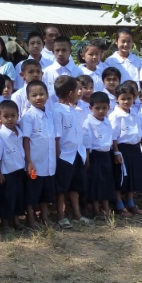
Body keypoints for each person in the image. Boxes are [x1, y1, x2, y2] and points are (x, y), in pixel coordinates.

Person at [51, 76, 90, 228]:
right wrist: (58, 157)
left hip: (77, 153)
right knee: (62, 188)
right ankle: (61, 216)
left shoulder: (74, 110)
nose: (80, 92)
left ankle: (77, 214)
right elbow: (57, 137)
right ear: (70, 93)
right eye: (77, 90)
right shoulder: (57, 111)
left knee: (75, 186)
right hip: (65, 156)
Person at [110, 83, 142, 217]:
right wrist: (116, 152)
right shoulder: (115, 116)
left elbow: (141, 133)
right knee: (121, 178)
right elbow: (113, 136)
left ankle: (130, 203)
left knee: (132, 176)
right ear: (117, 99)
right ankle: (119, 204)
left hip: (135, 148)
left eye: (129, 98)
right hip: (122, 149)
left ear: (134, 98)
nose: (126, 101)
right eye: (123, 98)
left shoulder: (136, 114)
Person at [0, 100, 26, 233]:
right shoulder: (0, 135)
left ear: (18, 115)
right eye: (6, 116)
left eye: (13, 116)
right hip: (6, 172)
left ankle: (16, 221)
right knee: (5, 197)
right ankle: (5, 223)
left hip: (19, 170)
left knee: (18, 196)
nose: (10, 119)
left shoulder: (20, 132)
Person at [82, 92, 117, 219]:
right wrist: (87, 161)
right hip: (95, 157)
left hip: (106, 155)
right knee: (96, 184)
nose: (101, 111)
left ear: (109, 107)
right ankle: (96, 211)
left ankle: (106, 210)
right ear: (90, 108)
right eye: (97, 108)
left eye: (104, 108)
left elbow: (111, 139)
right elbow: (87, 145)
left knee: (106, 182)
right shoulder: (88, 123)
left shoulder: (107, 121)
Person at [43, 36, 82, 100]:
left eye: (64, 50)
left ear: (70, 51)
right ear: (53, 52)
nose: (60, 54)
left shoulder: (78, 72)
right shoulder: (46, 72)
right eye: (57, 50)